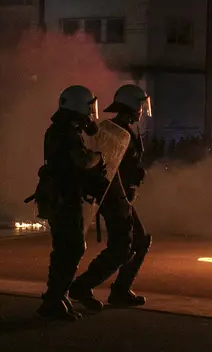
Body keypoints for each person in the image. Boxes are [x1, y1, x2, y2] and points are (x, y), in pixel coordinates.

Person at [68, 84, 151, 310]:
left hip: (123, 196)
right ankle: (83, 286)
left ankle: (120, 290)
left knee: (140, 240)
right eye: (140, 105)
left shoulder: (124, 130)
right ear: (132, 106)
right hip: (112, 195)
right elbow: (106, 166)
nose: (142, 110)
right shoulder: (111, 131)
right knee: (122, 245)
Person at [35, 85, 109, 321]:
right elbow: (80, 161)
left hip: (62, 195)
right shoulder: (66, 131)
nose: (90, 113)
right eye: (88, 107)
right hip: (63, 197)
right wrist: (98, 158)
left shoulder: (61, 129)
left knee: (64, 248)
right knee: (72, 247)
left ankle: (58, 295)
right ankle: (54, 299)